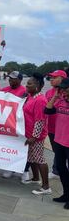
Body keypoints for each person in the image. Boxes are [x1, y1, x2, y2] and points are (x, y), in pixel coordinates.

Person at [22, 73, 51, 195]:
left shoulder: (40, 100)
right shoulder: (31, 96)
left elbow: (40, 120)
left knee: (39, 159)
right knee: (32, 158)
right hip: (29, 134)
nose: (26, 85)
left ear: (38, 86)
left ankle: (46, 187)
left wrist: (34, 137)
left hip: (36, 136)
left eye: (29, 84)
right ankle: (35, 178)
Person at [45, 78, 69, 209]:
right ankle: (66, 194)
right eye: (62, 88)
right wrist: (55, 96)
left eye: (66, 88)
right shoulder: (60, 101)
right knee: (61, 168)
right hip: (59, 141)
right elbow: (47, 110)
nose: (63, 90)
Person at [1, 71, 27, 179]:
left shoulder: (24, 91)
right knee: (8, 146)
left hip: (19, 124)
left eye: (13, 78)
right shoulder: (5, 90)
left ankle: (24, 170)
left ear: (20, 80)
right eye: (9, 78)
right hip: (7, 123)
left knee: (20, 146)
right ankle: (9, 168)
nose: (10, 80)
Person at [46, 70, 67, 180]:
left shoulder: (66, 92)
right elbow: (47, 108)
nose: (51, 79)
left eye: (55, 77)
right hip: (51, 127)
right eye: (51, 77)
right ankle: (57, 169)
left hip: (64, 128)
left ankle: (57, 169)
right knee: (57, 151)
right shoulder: (49, 92)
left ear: (62, 79)